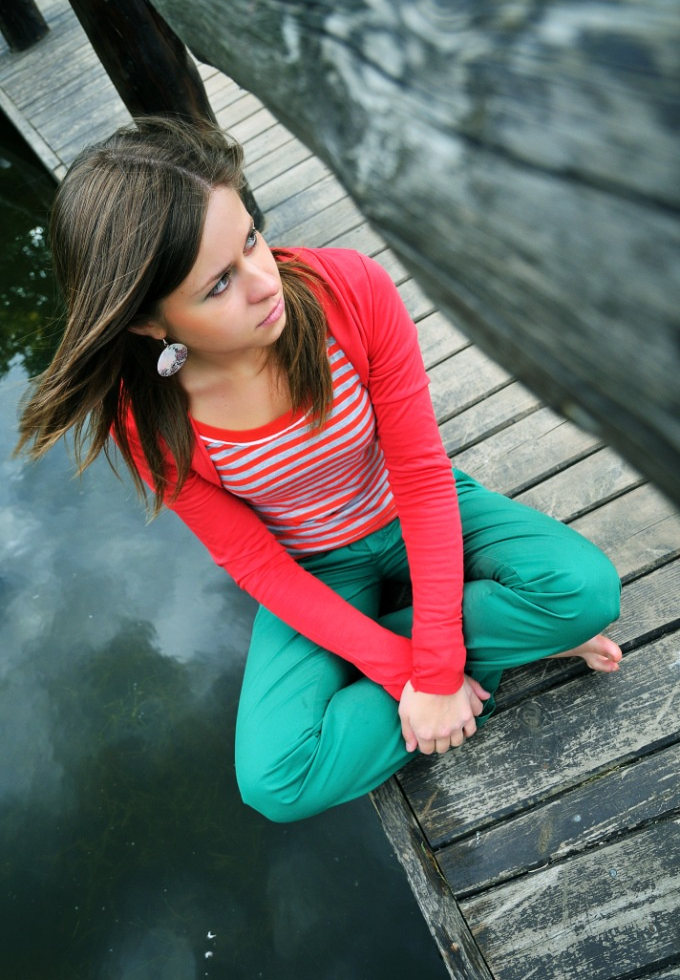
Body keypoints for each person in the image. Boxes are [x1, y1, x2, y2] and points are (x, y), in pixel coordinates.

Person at [16, 116, 622, 823]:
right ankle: (504, 642)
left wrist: (436, 667)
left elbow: (422, 477)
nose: (263, 282)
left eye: (250, 239)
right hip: (314, 569)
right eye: (218, 285)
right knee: (276, 780)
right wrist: (416, 672)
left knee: (586, 590)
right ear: (150, 324)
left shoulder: (349, 291)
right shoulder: (145, 418)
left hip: (413, 509)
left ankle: (476, 646)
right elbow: (256, 565)